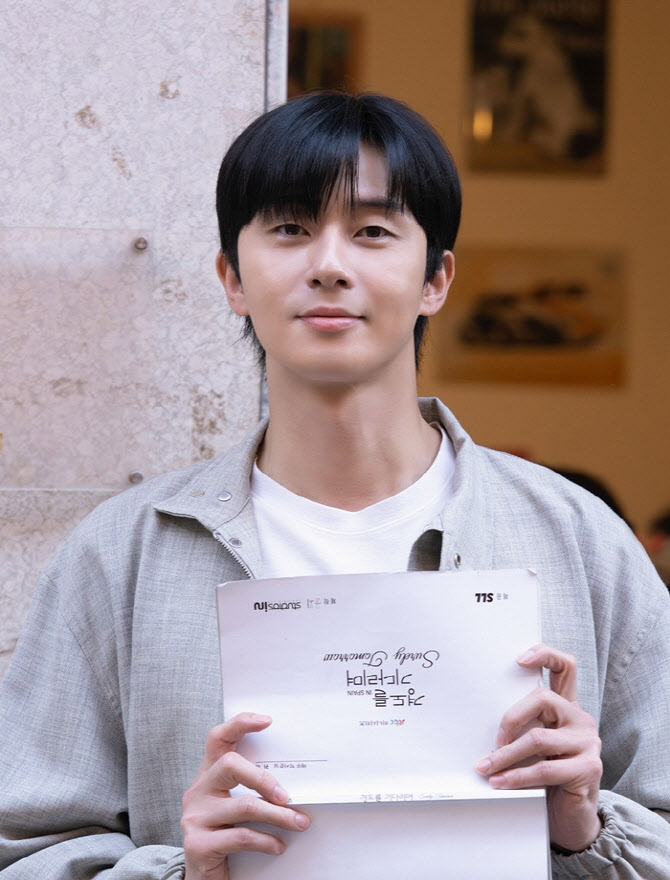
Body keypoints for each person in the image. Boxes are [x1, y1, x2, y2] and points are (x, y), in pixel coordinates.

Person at [0, 92, 669, 880]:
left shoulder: (579, 541)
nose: (328, 265)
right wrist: (186, 872)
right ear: (232, 277)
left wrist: (586, 828)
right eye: (289, 229)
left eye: (373, 231)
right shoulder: (122, 555)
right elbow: (27, 851)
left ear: (436, 278)